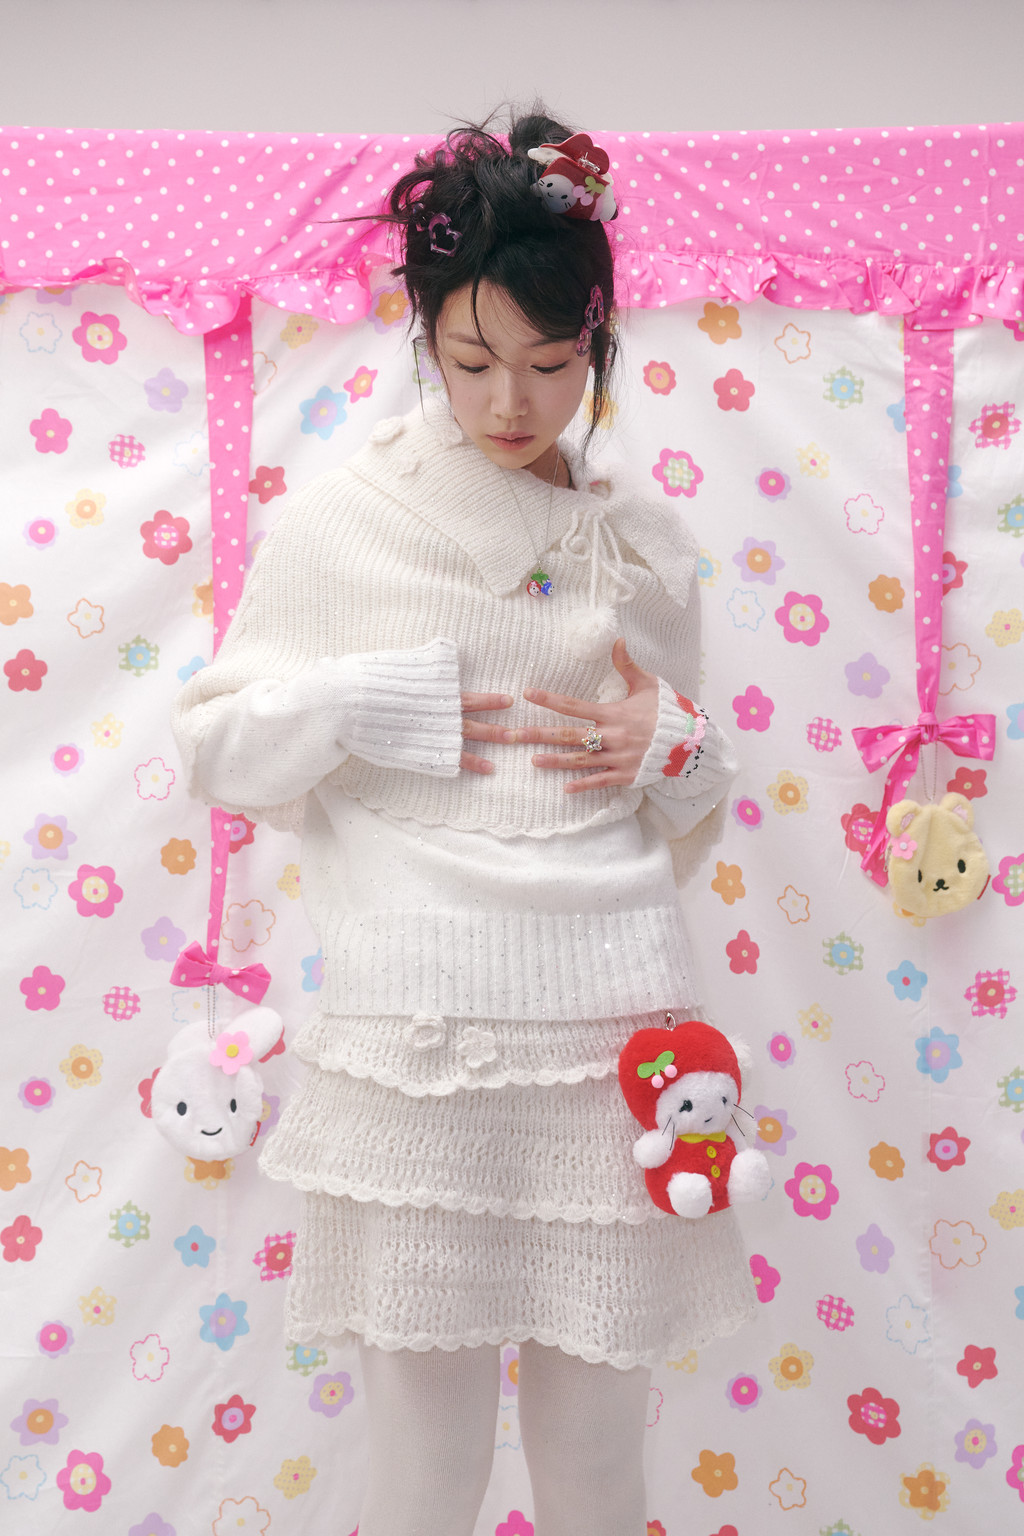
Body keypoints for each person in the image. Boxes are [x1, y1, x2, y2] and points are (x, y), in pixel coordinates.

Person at [171, 107, 755, 1536]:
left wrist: (675, 748)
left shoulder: (641, 542)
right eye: (473, 359)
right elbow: (218, 750)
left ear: (596, 347)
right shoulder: (346, 524)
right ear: (425, 339)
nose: (510, 402)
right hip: (418, 1047)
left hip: (612, 1041)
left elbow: (689, 822)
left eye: (550, 365)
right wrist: (363, 701)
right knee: (424, 1479)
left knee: (598, 1473)